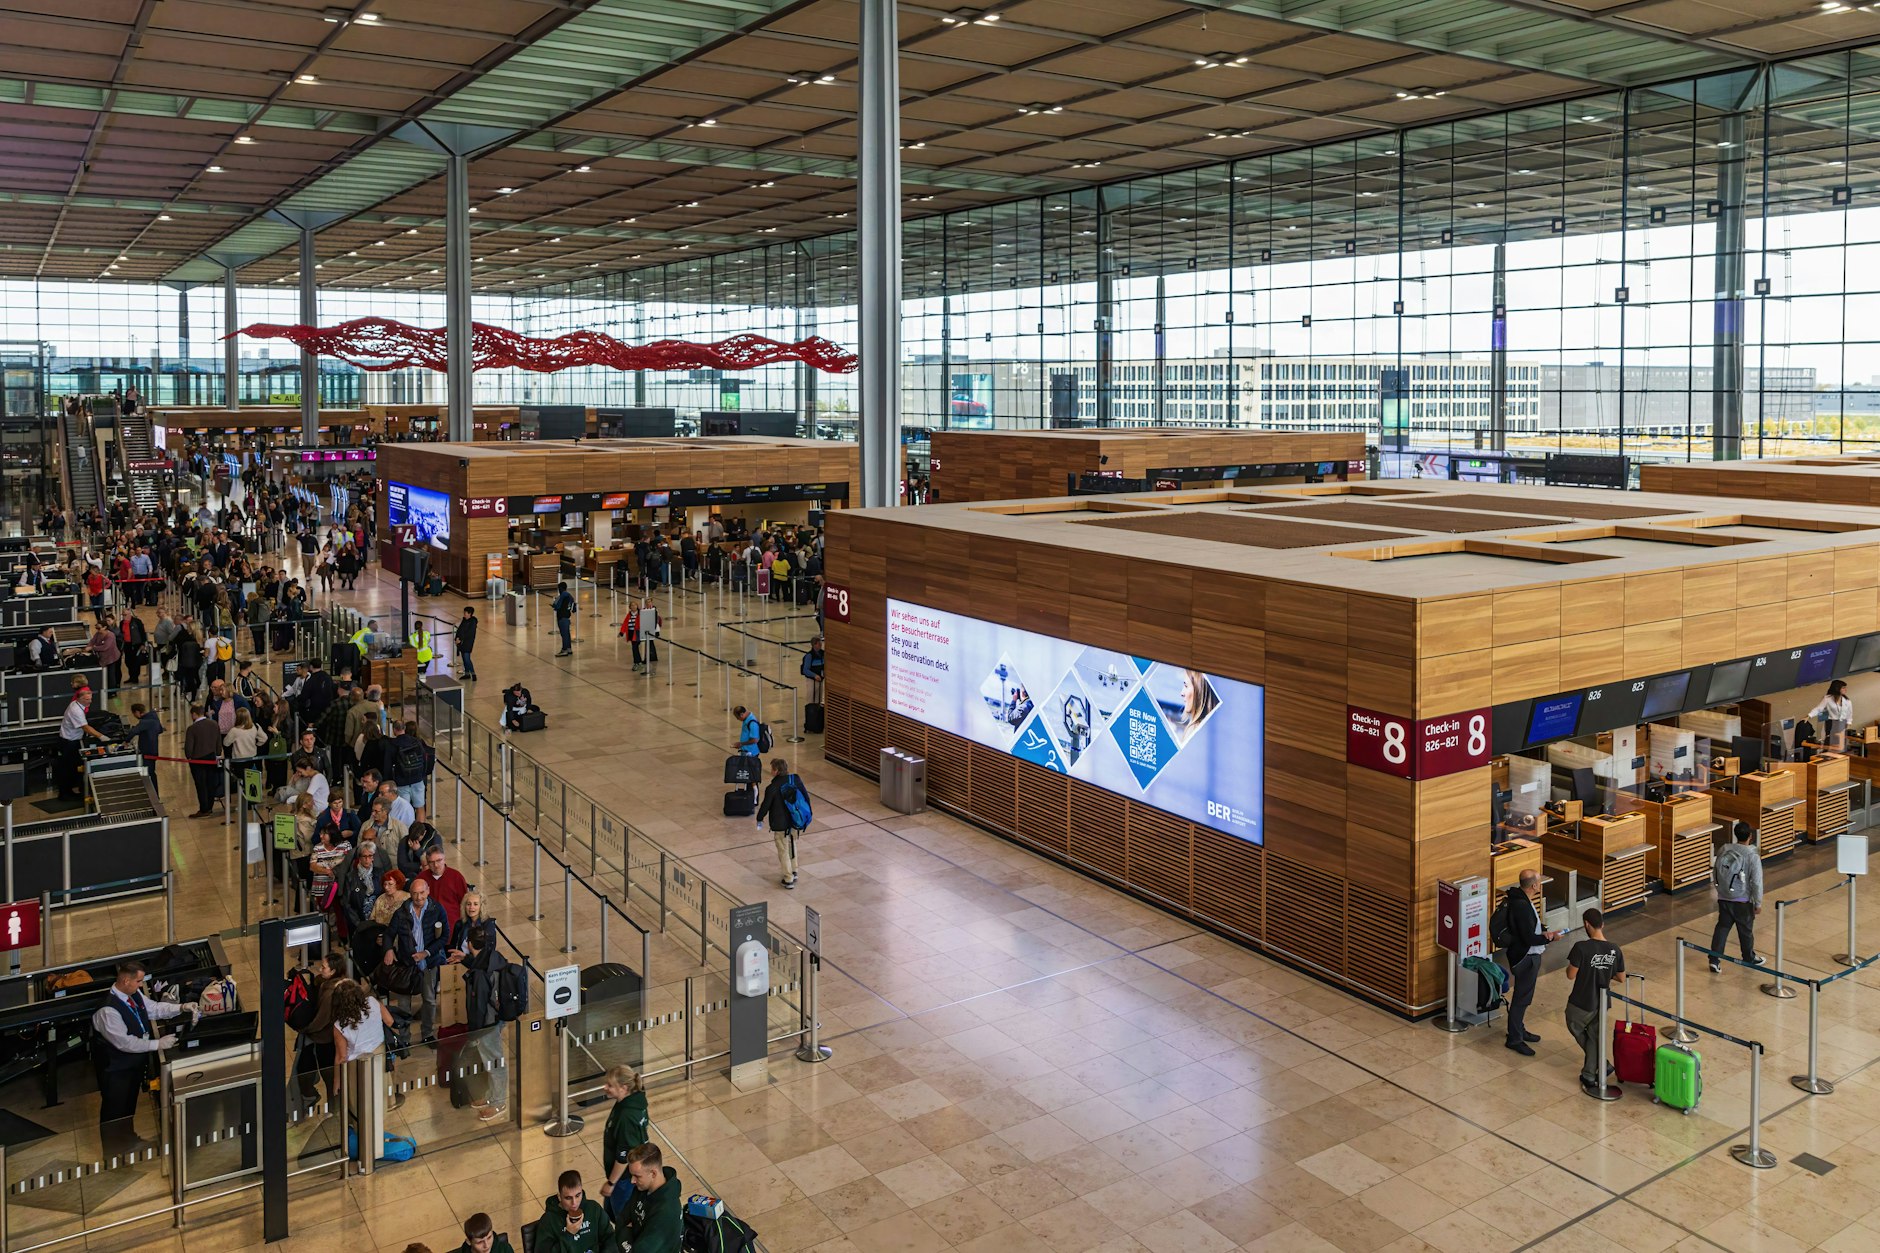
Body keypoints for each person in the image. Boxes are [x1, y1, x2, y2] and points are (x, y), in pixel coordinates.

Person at [89, 960, 194, 1159]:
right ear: (126, 980)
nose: (140, 985)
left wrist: (181, 1007)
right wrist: (157, 1044)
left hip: (132, 1065)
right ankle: (112, 1153)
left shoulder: (133, 995)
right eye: (138, 981)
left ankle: (128, 1141)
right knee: (115, 1109)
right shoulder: (108, 1011)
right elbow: (125, 1043)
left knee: (128, 1105)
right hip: (115, 1069)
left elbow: (153, 1009)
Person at [1499, 868, 1564, 1057]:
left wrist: (1543, 932)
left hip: (1525, 954)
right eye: (1539, 881)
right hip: (1526, 957)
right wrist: (1550, 938)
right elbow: (1528, 938)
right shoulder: (1522, 905)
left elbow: (1528, 929)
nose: (1540, 884)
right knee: (1521, 998)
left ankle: (1518, 1029)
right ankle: (1515, 1039)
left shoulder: (1520, 899)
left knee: (1523, 997)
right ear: (1534, 885)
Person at [1564, 908, 1625, 1096]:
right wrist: (1604, 972)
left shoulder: (1581, 947)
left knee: (1574, 1024)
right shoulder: (1615, 949)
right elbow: (1621, 978)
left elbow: (1570, 975)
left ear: (1586, 924)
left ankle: (1601, 1065)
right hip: (1602, 1002)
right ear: (1603, 925)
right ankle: (1590, 1074)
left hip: (1581, 1000)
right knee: (1593, 1035)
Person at [388, 875, 448, 1043]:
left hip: (429, 964)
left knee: (429, 1000)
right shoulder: (401, 913)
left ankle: (427, 1034)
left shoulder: (437, 909)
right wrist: (388, 950)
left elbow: (444, 937)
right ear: (410, 894)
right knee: (404, 1005)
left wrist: (427, 952)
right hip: (406, 965)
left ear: (428, 891)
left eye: (422, 893)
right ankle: (404, 1039)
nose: (419, 897)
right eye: (415, 893)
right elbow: (389, 934)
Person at [458, 923, 509, 1121]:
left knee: (494, 1062)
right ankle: (491, 1097)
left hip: (487, 1023)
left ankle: (498, 1102)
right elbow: (481, 965)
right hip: (498, 1016)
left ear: (469, 944)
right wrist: (467, 960)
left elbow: (478, 1005)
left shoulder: (479, 974)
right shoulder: (494, 958)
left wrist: (474, 1032)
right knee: (492, 1060)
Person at [1710, 821, 1766, 973]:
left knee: (1722, 927)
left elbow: (1716, 870)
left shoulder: (1724, 849)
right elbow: (1756, 882)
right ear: (1750, 836)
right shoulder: (1752, 856)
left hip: (1724, 896)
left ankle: (1714, 959)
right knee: (1745, 931)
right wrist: (1758, 902)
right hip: (1743, 900)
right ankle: (1748, 957)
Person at [597, 1067, 649, 1218]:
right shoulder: (633, 1101)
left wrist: (611, 1183)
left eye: (610, 1085)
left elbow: (623, 1156)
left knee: (622, 1218)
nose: (605, 1088)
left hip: (623, 1178)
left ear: (624, 1088)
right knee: (611, 1212)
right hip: (625, 1176)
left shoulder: (626, 1116)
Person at [614, 1143, 682, 1253]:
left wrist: (626, 1232)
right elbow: (622, 1219)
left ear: (653, 1173)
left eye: (637, 1176)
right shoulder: (642, 1188)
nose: (632, 1181)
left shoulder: (665, 1212)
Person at [533, 1169, 612, 1253]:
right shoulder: (548, 1220)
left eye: (578, 1195)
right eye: (568, 1198)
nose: (574, 1203)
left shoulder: (593, 1208)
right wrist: (568, 1234)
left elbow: (611, 1238)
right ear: (559, 1197)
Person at [755, 758, 805, 889]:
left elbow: (765, 806)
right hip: (795, 821)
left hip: (780, 824)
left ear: (776, 771)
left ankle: (788, 879)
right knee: (792, 844)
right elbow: (805, 797)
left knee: (783, 850)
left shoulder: (772, 787)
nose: (770, 771)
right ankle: (794, 870)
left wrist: (759, 818)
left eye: (772, 769)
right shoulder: (795, 779)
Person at [57, 684, 110, 802]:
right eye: (87, 699)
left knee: (74, 767)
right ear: (80, 698)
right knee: (68, 768)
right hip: (68, 742)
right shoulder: (76, 710)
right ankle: (64, 794)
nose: (90, 701)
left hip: (73, 740)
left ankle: (74, 789)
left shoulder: (78, 705)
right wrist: (101, 736)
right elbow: (85, 727)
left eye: (90, 698)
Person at [182, 703, 226, 817]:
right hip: (211, 758)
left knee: (201, 785)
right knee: (210, 783)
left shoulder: (192, 729)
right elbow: (218, 742)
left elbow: (188, 749)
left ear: (194, 714)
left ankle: (204, 809)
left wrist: (189, 757)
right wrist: (217, 754)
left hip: (197, 761)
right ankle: (209, 807)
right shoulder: (214, 724)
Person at [391, 720, 433, 824]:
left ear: (394, 730)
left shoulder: (393, 744)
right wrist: (421, 775)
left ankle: (408, 832)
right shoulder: (416, 741)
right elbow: (424, 759)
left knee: (405, 808)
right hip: (417, 779)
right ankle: (420, 832)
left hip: (402, 781)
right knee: (420, 807)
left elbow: (389, 764)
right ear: (404, 729)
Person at [419, 845, 469, 928]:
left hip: (452, 924)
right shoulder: (421, 878)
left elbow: (464, 903)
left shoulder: (456, 877)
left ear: (444, 859)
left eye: (439, 860)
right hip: (428, 924)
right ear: (427, 863)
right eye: (431, 862)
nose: (436, 865)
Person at [131, 702, 164, 799]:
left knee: (149, 773)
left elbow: (133, 731)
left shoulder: (145, 721)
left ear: (137, 712)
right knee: (152, 772)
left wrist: (126, 741)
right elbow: (160, 730)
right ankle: (155, 795)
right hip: (154, 750)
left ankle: (154, 796)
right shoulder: (154, 717)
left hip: (148, 752)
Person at [1810, 679, 1854, 747]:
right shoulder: (1827, 698)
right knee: (1830, 744)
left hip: (1842, 724)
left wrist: (1847, 726)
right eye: (1843, 688)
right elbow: (1818, 709)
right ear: (1837, 688)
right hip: (1831, 723)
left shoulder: (1847, 701)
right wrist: (1809, 715)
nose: (1845, 689)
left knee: (1841, 746)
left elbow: (1849, 716)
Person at [733, 704, 761, 800]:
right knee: (747, 775)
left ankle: (754, 798)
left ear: (741, 714)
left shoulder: (752, 722)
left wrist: (742, 744)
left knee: (752, 777)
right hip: (746, 751)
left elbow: (755, 739)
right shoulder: (746, 720)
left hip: (751, 753)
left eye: (737, 717)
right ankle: (749, 797)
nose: (737, 719)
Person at [552, 581, 575, 657]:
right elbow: (574, 608)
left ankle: (564, 649)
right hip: (567, 617)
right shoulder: (570, 596)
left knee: (564, 634)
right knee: (567, 633)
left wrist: (554, 606)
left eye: (559, 588)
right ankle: (569, 648)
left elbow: (556, 606)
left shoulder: (562, 596)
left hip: (562, 617)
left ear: (561, 588)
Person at [455, 606, 479, 681]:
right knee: (464, 659)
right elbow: (460, 630)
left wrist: (461, 639)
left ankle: (473, 673)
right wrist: (457, 638)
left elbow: (469, 633)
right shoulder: (464, 620)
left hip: (468, 643)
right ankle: (467, 674)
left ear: (470, 614)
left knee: (467, 659)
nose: (464, 614)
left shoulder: (472, 622)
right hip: (462, 643)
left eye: (465, 613)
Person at [800, 636, 825, 702]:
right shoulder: (809, 655)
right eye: (819, 644)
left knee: (819, 698)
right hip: (812, 680)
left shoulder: (823, 653)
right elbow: (805, 670)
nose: (820, 645)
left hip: (820, 679)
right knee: (811, 698)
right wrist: (814, 675)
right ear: (814, 645)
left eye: (820, 643)